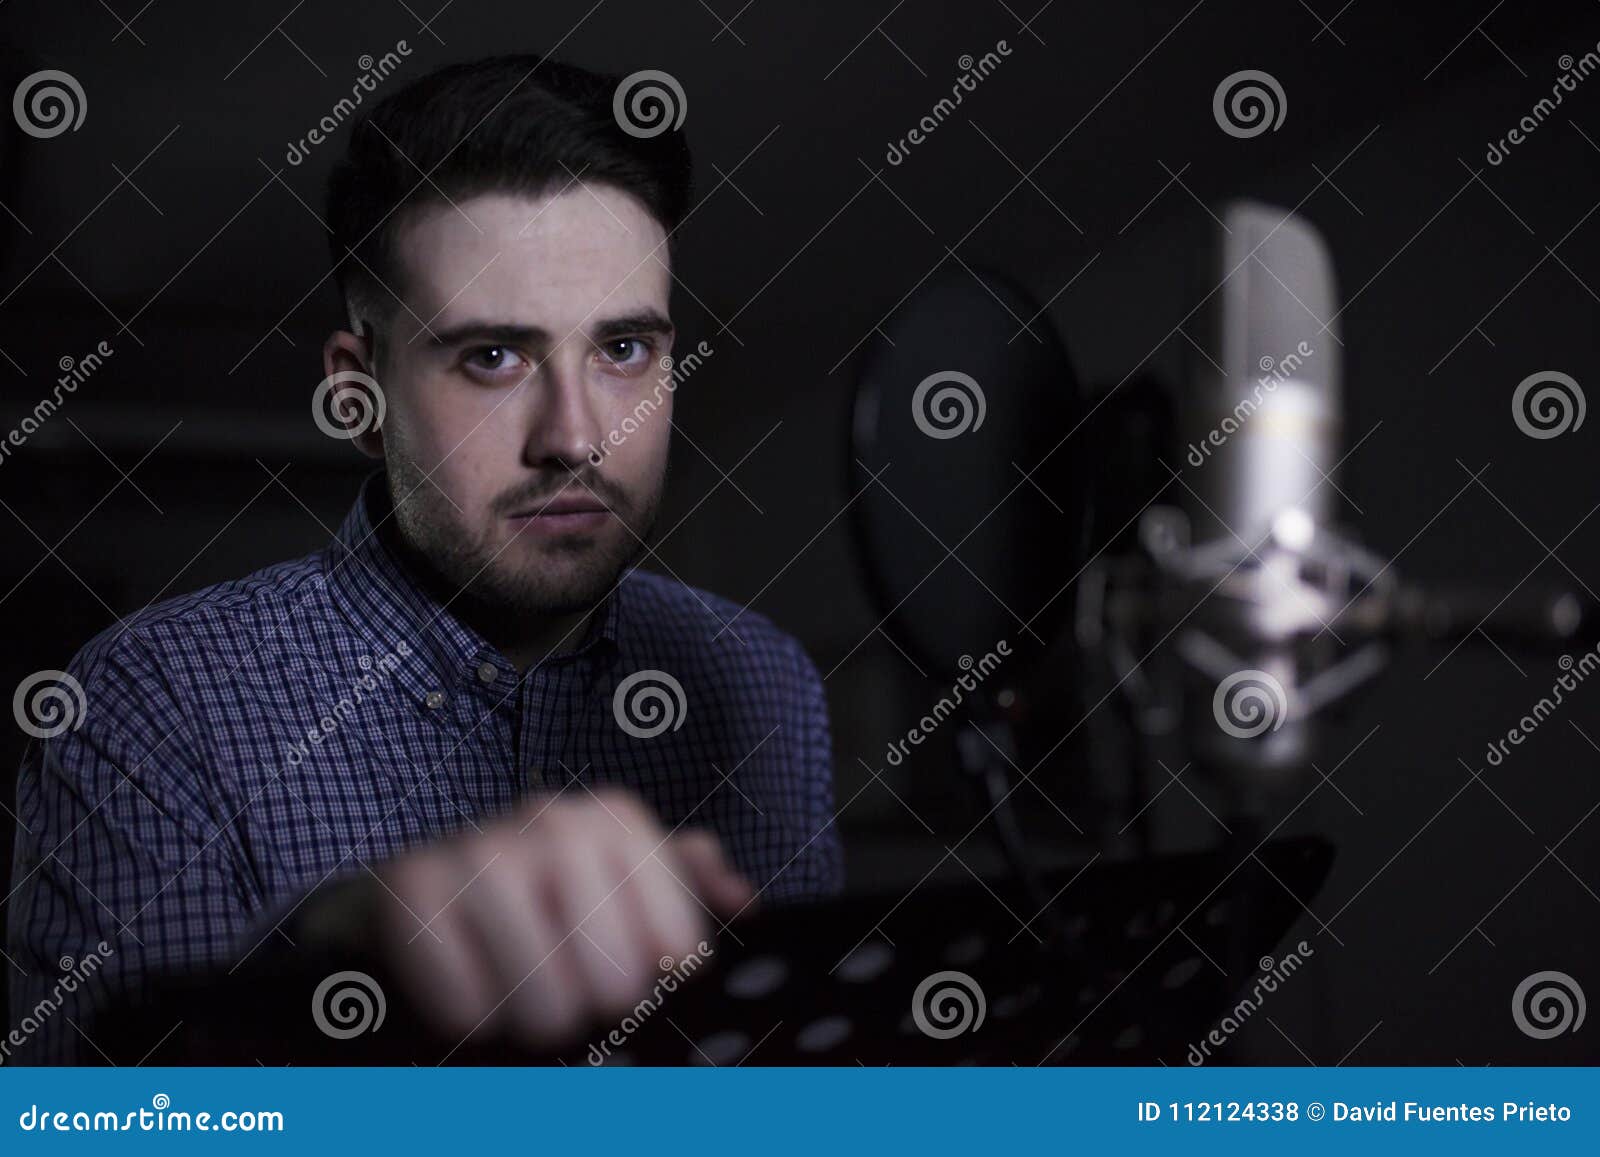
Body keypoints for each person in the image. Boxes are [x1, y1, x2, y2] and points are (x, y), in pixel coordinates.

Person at [5, 53, 842, 1064]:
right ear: (359, 391)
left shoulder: (766, 683)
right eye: (491, 356)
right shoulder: (151, 707)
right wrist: (331, 968)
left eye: (623, 350)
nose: (577, 437)